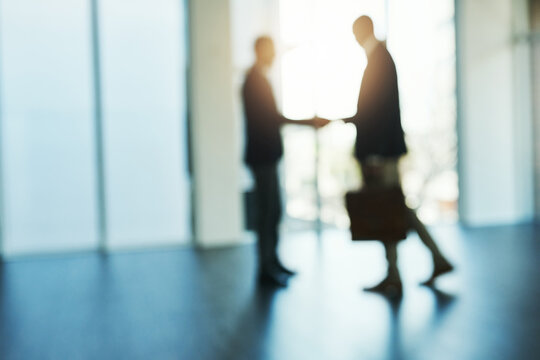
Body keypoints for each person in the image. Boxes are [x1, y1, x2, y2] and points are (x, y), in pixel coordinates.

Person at [343, 16, 453, 297]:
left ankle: (425, 263)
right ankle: (400, 272)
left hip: (382, 154)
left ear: (361, 32)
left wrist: (375, 153)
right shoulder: (379, 58)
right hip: (382, 151)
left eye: (355, 34)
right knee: (391, 209)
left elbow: (381, 112)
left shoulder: (379, 59)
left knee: (393, 208)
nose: (354, 39)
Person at [242, 36, 329, 287]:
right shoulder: (254, 81)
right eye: (269, 50)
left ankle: (272, 262)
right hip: (262, 157)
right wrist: (309, 122)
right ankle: (266, 268)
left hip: (266, 156)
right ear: (260, 50)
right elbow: (271, 119)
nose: (273, 55)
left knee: (273, 211)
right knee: (266, 213)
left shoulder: (258, 79)